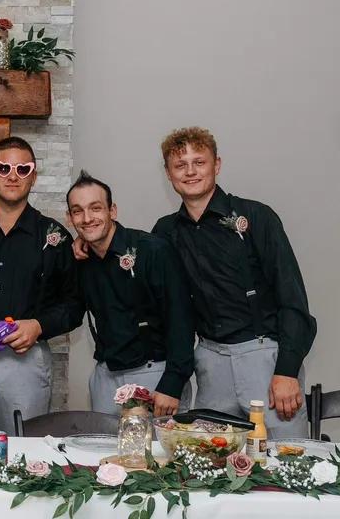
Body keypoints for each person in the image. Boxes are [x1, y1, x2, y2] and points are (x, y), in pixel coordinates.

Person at [152, 127, 315, 437]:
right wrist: (86, 247)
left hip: (265, 360)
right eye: (180, 165)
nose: (190, 171)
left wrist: (287, 370)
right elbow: (159, 298)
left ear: (217, 165)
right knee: (212, 457)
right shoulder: (165, 232)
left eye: (199, 162)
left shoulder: (257, 217)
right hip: (211, 363)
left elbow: (292, 298)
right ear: (169, 173)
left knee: (285, 458)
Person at [0, 137, 80, 433]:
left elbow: (74, 304)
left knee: (26, 449)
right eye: (4, 168)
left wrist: (39, 325)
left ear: (33, 177)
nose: (13, 176)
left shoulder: (55, 236)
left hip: (27, 360)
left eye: (23, 169)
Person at [66, 170, 195, 416]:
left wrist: (173, 382)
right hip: (106, 376)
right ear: (70, 218)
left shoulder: (153, 251)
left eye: (95, 208)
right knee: (103, 442)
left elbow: (181, 318)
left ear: (112, 211)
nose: (87, 218)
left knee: (155, 444)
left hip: (154, 375)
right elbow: (70, 311)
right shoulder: (80, 259)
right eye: (77, 211)